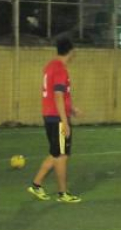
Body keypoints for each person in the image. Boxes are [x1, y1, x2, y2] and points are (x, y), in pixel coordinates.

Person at [27, 38, 82, 203]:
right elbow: (58, 96)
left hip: (50, 115)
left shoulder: (50, 66)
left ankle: (36, 185)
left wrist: (71, 109)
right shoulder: (60, 69)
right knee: (62, 156)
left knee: (55, 153)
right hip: (57, 118)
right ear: (71, 51)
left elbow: (56, 95)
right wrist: (65, 121)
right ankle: (63, 193)